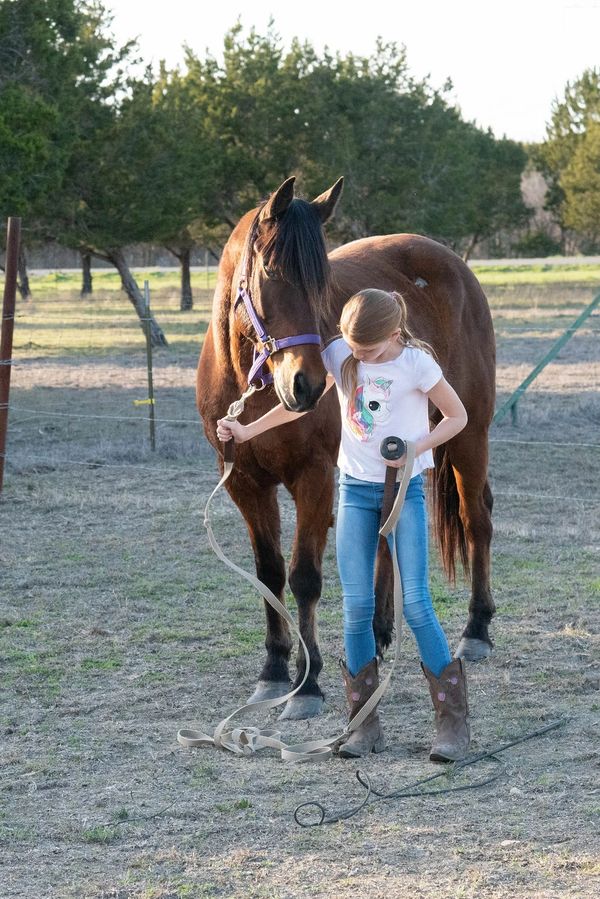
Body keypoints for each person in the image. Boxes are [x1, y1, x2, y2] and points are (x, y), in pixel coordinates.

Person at [217, 288, 470, 762]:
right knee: (355, 607)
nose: (357, 356)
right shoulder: (339, 354)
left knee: (416, 603)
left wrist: (419, 447)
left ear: (394, 334)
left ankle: (452, 723)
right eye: (352, 346)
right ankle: (363, 725)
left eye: (367, 349)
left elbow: (457, 416)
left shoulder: (416, 364)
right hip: (356, 490)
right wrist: (247, 430)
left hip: (404, 490)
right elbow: (300, 403)